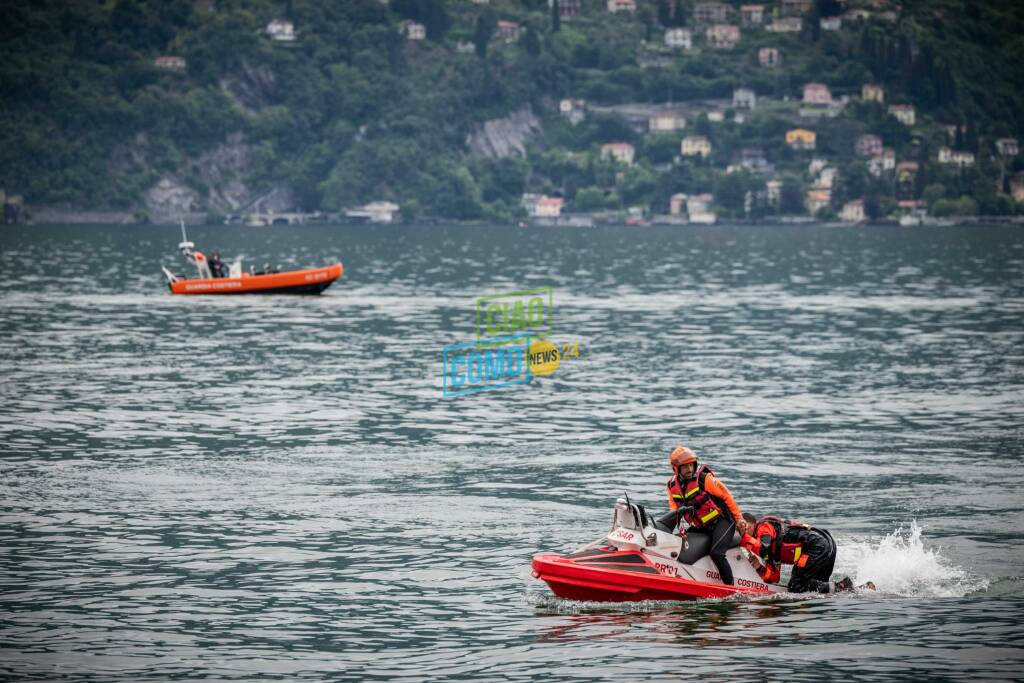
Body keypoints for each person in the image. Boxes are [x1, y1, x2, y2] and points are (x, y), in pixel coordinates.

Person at [666, 446, 748, 586]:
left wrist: (739, 519)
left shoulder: (706, 479)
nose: (689, 469)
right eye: (685, 467)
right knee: (679, 548)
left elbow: (727, 497)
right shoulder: (671, 485)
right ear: (676, 468)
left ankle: (731, 588)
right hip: (700, 526)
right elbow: (674, 510)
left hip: (722, 522)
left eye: (691, 465)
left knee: (716, 553)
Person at [741, 512, 873, 593]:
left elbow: (764, 547)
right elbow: (774, 577)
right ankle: (858, 589)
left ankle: (844, 586)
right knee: (819, 590)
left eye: (742, 528)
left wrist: (743, 539)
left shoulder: (763, 527)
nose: (741, 532)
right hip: (824, 543)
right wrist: (758, 567)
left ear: (751, 524)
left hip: (816, 545)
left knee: (795, 586)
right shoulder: (772, 551)